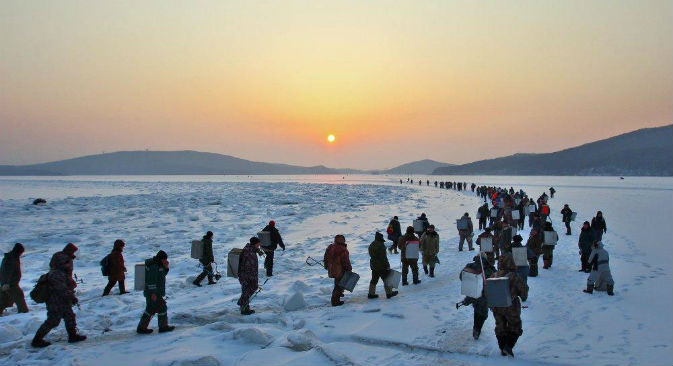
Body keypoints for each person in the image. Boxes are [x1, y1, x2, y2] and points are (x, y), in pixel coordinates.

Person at [32, 243, 86, 347]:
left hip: (62, 300)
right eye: (68, 263)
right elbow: (62, 290)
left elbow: (65, 288)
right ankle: (37, 340)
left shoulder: (60, 272)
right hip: (55, 300)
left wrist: (70, 295)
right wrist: (71, 297)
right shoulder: (57, 274)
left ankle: (72, 336)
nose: (70, 265)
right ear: (63, 263)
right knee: (53, 320)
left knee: (69, 316)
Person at [489, 254, 528, 357]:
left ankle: (502, 348)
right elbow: (523, 291)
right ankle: (508, 346)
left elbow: (487, 290)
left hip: (497, 306)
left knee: (500, 327)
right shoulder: (515, 276)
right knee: (515, 326)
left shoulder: (494, 275)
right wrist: (522, 297)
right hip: (511, 306)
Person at [458, 253, 496, 340]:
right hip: (483, 295)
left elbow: (461, 276)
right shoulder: (489, 268)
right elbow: (494, 281)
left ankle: (476, 328)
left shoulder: (470, 266)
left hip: (472, 293)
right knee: (483, 314)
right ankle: (477, 329)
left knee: (477, 310)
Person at [137, 250, 175, 333]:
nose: (166, 261)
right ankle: (162, 327)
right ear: (161, 259)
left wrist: (166, 267)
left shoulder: (158, 265)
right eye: (165, 259)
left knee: (152, 309)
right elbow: (151, 281)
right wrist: (153, 293)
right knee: (160, 307)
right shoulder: (154, 266)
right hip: (153, 293)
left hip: (154, 292)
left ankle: (142, 328)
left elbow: (161, 276)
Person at [0, 243, 29, 315]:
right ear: (18, 251)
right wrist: (7, 283)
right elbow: (7, 272)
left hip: (8, 283)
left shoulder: (12, 257)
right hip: (10, 284)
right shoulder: (11, 259)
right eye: (21, 252)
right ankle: (24, 314)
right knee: (19, 298)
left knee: (5, 300)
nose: (21, 254)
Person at [368, 232, 398, 299]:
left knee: (374, 280)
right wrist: (387, 265)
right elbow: (383, 258)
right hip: (381, 266)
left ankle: (371, 293)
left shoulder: (372, 244)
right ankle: (389, 293)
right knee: (386, 279)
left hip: (374, 265)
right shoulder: (381, 245)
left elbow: (371, 255)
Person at [324, 235, 352, 306]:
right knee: (339, 285)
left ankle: (337, 296)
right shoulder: (343, 249)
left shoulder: (330, 247)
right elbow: (345, 261)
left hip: (331, 269)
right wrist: (349, 269)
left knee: (337, 283)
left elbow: (325, 257)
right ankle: (335, 301)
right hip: (339, 270)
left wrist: (326, 265)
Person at [237, 237, 261, 314]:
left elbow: (253, 249)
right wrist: (249, 278)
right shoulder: (248, 252)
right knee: (247, 291)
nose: (259, 245)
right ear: (255, 244)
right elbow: (248, 266)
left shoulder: (250, 249)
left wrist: (258, 251)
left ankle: (244, 306)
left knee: (248, 290)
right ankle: (244, 308)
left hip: (249, 275)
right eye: (258, 244)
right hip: (247, 276)